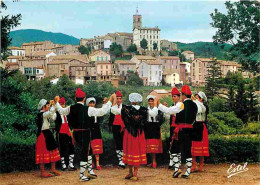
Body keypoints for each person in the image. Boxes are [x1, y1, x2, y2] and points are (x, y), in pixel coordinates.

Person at [55, 88, 112, 182]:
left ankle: (90, 170)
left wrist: (57, 102)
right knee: (85, 151)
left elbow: (61, 111)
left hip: (75, 133)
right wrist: (109, 102)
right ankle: (82, 175)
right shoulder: (88, 109)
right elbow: (102, 112)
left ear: (75, 98)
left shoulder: (70, 108)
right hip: (85, 132)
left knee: (89, 150)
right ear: (84, 98)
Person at [168, 85, 198, 179]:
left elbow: (177, 117)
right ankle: (188, 170)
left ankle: (177, 168)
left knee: (174, 149)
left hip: (180, 129)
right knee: (187, 150)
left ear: (183, 95)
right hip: (190, 129)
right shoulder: (195, 105)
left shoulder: (181, 105)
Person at [121, 93, 148, 181]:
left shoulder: (126, 109)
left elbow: (126, 120)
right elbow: (144, 122)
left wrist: (133, 120)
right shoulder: (143, 110)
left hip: (130, 132)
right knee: (135, 151)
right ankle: (132, 173)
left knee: (131, 150)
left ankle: (133, 173)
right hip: (138, 133)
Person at [35, 99, 61, 178]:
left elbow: (53, 116)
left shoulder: (46, 114)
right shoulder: (41, 114)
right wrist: (53, 106)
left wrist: (54, 106)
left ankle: (53, 169)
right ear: (43, 106)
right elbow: (50, 113)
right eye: (47, 105)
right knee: (43, 152)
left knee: (53, 149)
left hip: (47, 133)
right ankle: (42, 172)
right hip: (42, 134)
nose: (48, 106)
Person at [53, 97, 76, 171]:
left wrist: (71, 129)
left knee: (71, 147)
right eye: (61, 104)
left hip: (68, 131)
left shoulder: (67, 113)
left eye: (63, 104)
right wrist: (53, 107)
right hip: (60, 132)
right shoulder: (56, 113)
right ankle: (63, 165)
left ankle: (71, 164)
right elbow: (53, 118)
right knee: (61, 148)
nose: (62, 105)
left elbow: (71, 121)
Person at [191, 92, 209, 172]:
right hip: (195, 126)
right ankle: (194, 164)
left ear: (201, 99)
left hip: (201, 126)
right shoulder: (196, 105)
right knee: (193, 145)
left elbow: (199, 109)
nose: (195, 99)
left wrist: (195, 101)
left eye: (197, 97)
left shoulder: (203, 107)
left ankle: (201, 164)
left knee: (202, 147)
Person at [145, 95, 164, 168]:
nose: (150, 102)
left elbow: (153, 114)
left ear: (154, 101)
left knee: (154, 144)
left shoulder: (156, 109)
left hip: (155, 126)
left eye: (152, 101)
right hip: (148, 126)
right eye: (149, 101)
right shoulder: (146, 109)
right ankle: (151, 161)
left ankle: (154, 161)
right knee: (149, 144)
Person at [167, 87, 183, 170]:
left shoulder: (181, 106)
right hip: (172, 127)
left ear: (178, 97)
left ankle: (178, 162)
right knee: (171, 143)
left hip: (178, 128)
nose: (173, 98)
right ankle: (171, 161)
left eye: (175, 96)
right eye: (172, 96)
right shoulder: (171, 106)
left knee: (178, 144)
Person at [109, 90, 126, 168]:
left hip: (124, 127)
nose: (119, 100)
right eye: (117, 98)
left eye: (120, 99)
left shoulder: (125, 107)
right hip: (115, 127)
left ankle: (124, 159)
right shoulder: (112, 108)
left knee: (124, 143)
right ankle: (120, 160)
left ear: (122, 99)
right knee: (118, 143)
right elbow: (111, 116)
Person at [86, 97, 103, 170]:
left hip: (97, 129)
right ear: (88, 104)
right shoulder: (87, 112)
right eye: (90, 103)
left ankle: (97, 163)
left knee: (97, 145)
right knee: (91, 146)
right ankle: (91, 163)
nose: (92, 104)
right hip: (90, 130)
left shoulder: (97, 111)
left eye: (93, 103)